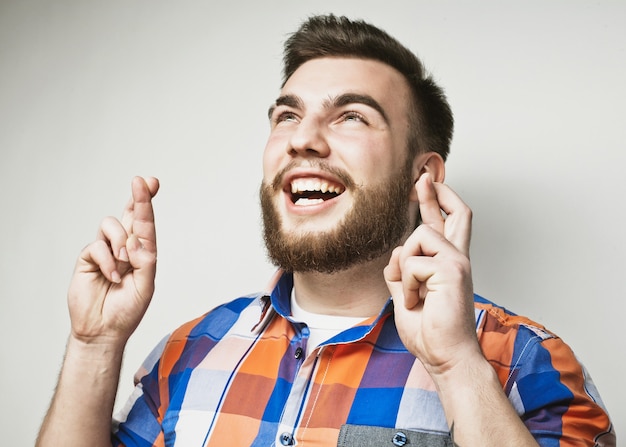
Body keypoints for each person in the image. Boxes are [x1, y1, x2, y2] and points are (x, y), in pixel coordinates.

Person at [36, 14, 615, 447]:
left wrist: (456, 363)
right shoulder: (188, 353)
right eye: (287, 115)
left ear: (424, 176)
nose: (302, 138)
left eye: (351, 116)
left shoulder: (523, 361)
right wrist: (95, 344)